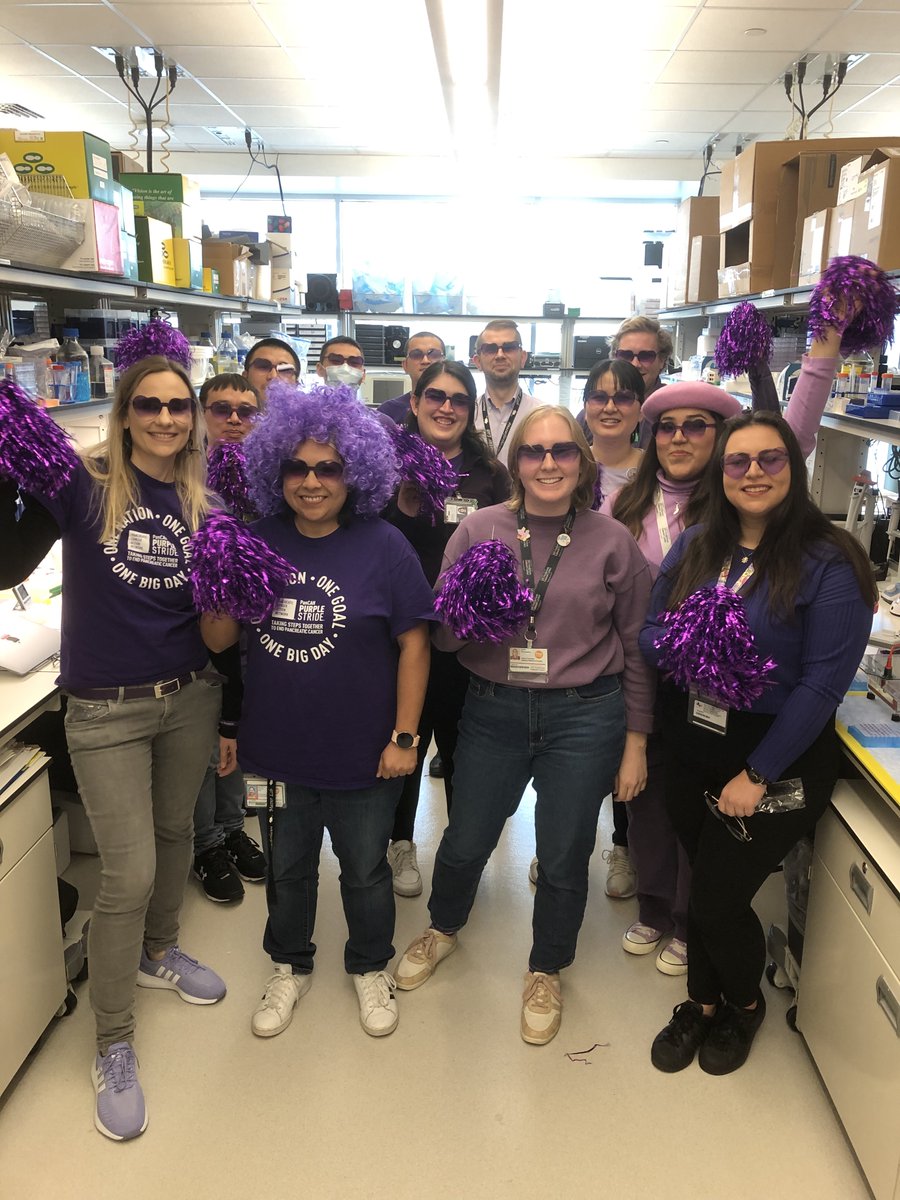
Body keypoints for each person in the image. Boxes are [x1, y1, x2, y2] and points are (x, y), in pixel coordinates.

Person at [0, 355, 226, 1142]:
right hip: (105, 709)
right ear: (125, 412)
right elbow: (8, 561)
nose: (166, 419)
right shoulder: (82, 486)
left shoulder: (209, 500)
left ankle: (160, 950)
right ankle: (113, 1041)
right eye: (150, 406)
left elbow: (217, 618)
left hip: (190, 695)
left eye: (179, 406)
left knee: (175, 834)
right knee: (124, 874)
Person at [395, 405, 654, 1045]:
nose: (548, 463)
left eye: (562, 451)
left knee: (564, 854)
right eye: (534, 452)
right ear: (515, 463)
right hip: (493, 707)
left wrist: (635, 744)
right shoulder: (480, 529)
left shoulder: (611, 540)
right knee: (465, 838)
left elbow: (637, 647)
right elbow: (447, 642)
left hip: (585, 714)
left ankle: (546, 967)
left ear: (582, 461)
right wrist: (469, 609)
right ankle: (444, 926)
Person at [639, 410, 874, 1075]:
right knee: (708, 881)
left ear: (793, 469)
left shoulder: (830, 561)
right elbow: (651, 631)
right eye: (738, 461)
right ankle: (703, 1004)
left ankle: (743, 1003)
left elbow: (823, 687)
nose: (752, 473)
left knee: (715, 899)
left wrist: (759, 773)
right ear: (721, 473)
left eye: (769, 459)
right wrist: (696, 648)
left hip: (776, 755)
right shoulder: (696, 545)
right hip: (693, 743)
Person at [602, 332, 843, 977]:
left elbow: (794, 426)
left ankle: (692, 923)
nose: (679, 438)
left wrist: (826, 344)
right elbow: (636, 615)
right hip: (660, 690)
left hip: (739, 717)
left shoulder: (739, 506)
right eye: (667, 428)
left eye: (697, 427)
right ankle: (657, 909)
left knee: (706, 841)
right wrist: (687, 645)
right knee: (650, 804)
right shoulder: (630, 506)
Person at [200, 385, 433, 1040]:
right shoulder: (257, 540)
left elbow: (415, 645)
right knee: (287, 869)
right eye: (297, 467)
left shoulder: (385, 546)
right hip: (279, 750)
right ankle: (290, 964)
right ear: (277, 471)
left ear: (353, 472)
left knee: (364, 870)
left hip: (363, 751)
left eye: (327, 467)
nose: (311, 481)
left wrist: (405, 736)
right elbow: (219, 641)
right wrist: (219, 579)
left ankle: (369, 965)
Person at [382, 360, 511, 896]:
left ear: (471, 409)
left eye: (459, 399)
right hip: (396, 636)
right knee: (401, 739)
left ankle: (460, 854)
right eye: (434, 396)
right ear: (414, 403)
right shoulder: (385, 468)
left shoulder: (491, 475)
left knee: (465, 751)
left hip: (466, 641)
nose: (446, 407)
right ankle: (399, 843)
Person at [191, 373, 267, 902]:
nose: (235, 419)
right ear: (202, 414)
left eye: (246, 410)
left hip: (252, 632)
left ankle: (234, 825)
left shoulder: (265, 481)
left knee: (237, 728)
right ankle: (206, 843)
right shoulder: (184, 478)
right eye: (222, 409)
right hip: (195, 634)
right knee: (200, 740)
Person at [471, 319, 542, 468]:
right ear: (478, 362)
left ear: (523, 358)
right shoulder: (465, 415)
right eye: (490, 349)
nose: (500, 355)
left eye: (509, 347)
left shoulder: (541, 415)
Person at [378, 330, 446, 424]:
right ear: (405, 365)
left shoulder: (457, 407)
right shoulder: (388, 411)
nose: (425, 361)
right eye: (416, 355)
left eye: (434, 354)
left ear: (445, 363)